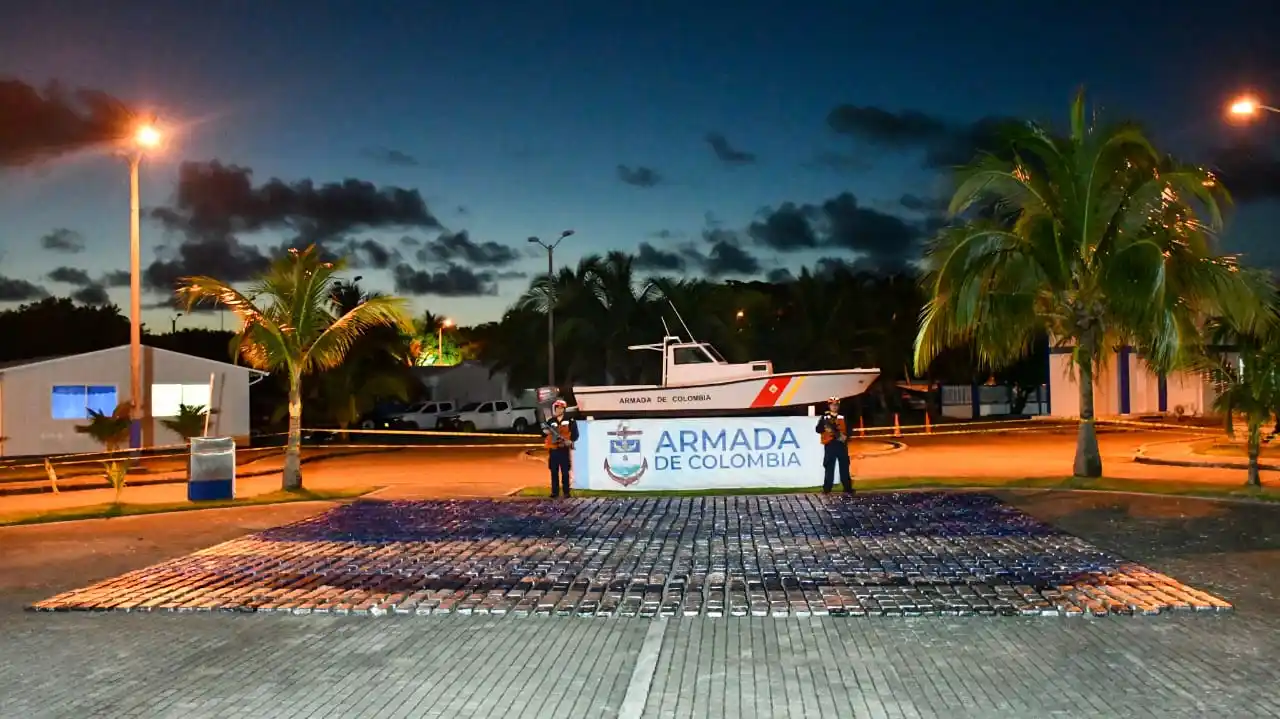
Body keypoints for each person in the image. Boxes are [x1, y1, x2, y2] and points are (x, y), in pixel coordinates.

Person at [814, 396, 853, 494]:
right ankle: (827, 489)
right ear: (829, 406)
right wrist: (825, 428)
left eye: (836, 405)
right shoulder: (824, 418)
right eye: (832, 405)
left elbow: (849, 430)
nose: (834, 407)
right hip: (830, 445)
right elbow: (818, 429)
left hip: (841, 445)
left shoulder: (843, 417)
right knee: (829, 467)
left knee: (844, 467)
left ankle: (847, 488)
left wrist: (846, 437)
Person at [543, 399, 579, 498]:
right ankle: (554, 492)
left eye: (561, 408)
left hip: (564, 450)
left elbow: (575, 434)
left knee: (565, 472)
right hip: (553, 450)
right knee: (554, 472)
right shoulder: (551, 421)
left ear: (564, 409)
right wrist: (545, 432)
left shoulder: (570, 420)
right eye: (557, 408)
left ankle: (566, 492)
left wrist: (570, 441)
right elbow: (543, 433)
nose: (559, 410)